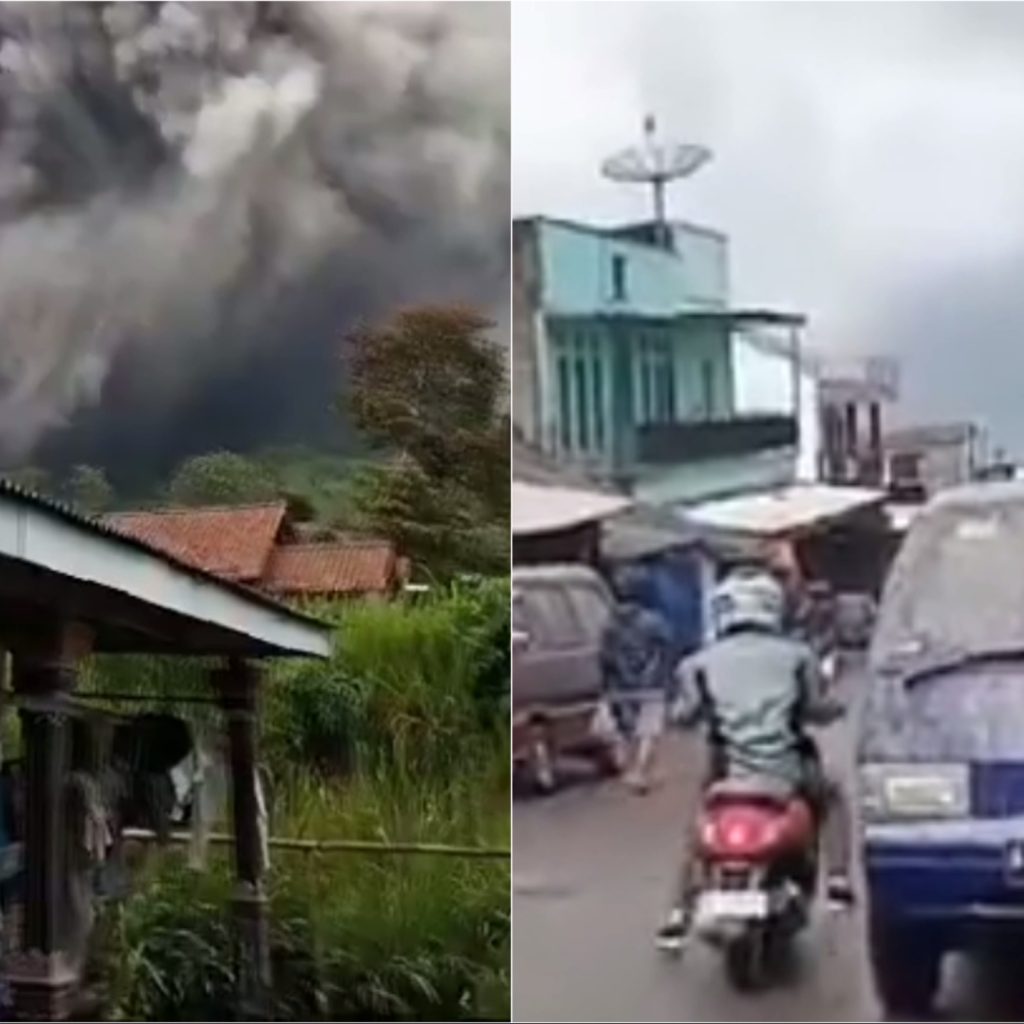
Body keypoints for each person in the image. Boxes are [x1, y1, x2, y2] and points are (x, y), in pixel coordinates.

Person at [656, 565, 854, 952]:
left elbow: (683, 716)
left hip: (725, 775)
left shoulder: (698, 663)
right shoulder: (798, 656)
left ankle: (677, 914)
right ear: (773, 607)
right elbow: (816, 708)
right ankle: (838, 881)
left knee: (700, 832)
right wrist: (835, 708)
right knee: (832, 795)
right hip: (788, 772)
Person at [600, 564, 673, 794]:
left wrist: (608, 683)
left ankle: (632, 768)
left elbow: (605, 656)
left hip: (620, 686)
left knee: (626, 729)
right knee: (648, 731)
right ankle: (640, 771)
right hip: (651, 685)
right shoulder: (654, 622)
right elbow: (666, 651)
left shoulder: (609, 624)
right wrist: (665, 678)